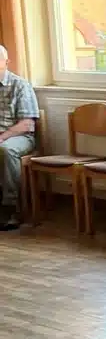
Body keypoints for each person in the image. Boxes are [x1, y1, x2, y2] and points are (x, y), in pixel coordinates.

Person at [0, 45, 39, 231]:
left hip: (18, 136)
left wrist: (2, 137)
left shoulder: (20, 85)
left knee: (5, 150)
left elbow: (26, 124)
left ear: (6, 62)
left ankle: (10, 208)